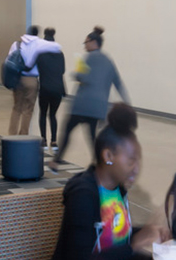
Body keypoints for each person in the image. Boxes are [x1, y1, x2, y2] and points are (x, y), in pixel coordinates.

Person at [33, 105, 176, 260]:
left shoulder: (117, 189)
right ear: (108, 156)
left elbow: (112, 233)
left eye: (138, 159)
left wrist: (153, 232)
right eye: (131, 159)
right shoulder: (84, 193)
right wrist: (137, 241)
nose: (137, 167)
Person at [52, 27, 129, 170]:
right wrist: (127, 103)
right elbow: (117, 82)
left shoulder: (88, 58)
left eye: (86, 42)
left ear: (94, 42)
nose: (85, 45)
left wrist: (76, 74)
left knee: (67, 131)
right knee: (92, 138)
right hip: (98, 107)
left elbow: (83, 77)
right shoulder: (108, 60)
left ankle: (56, 160)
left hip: (82, 104)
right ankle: (99, 164)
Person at [9, 25, 59, 136]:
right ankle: (23, 134)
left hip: (17, 79)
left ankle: (11, 135)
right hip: (32, 80)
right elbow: (56, 47)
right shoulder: (39, 44)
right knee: (28, 109)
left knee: (17, 108)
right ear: (37, 34)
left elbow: (9, 59)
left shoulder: (16, 44)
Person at [36, 28, 67, 153]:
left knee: (43, 113)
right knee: (53, 115)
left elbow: (35, 69)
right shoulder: (60, 54)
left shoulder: (40, 54)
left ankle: (43, 140)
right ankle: (54, 141)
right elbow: (63, 70)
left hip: (44, 88)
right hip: (58, 88)